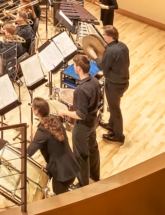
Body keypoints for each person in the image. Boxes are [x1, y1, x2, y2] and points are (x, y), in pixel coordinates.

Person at [57, 55, 101, 187]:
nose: (74, 68)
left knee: (80, 154)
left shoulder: (81, 90)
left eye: (75, 66)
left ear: (79, 69)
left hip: (82, 126)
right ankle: (94, 174)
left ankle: (82, 184)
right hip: (93, 121)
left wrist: (64, 112)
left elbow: (80, 114)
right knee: (93, 148)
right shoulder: (94, 81)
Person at [27, 98, 80, 195]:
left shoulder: (42, 130)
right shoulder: (54, 119)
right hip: (70, 166)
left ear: (36, 111)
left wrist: (32, 140)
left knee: (60, 199)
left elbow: (28, 152)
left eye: (32, 107)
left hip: (62, 173)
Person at [98, 25, 130, 144]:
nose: (103, 37)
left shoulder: (110, 51)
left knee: (115, 109)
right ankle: (111, 125)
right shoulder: (123, 46)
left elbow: (104, 70)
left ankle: (118, 135)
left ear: (110, 37)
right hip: (124, 81)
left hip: (114, 84)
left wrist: (96, 60)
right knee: (113, 106)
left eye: (104, 35)